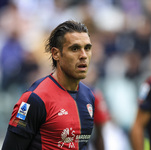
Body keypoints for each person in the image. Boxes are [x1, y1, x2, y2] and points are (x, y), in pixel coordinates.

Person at [2, 20, 95, 150]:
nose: (84, 55)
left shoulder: (88, 96)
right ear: (56, 53)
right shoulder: (33, 99)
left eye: (87, 48)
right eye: (75, 49)